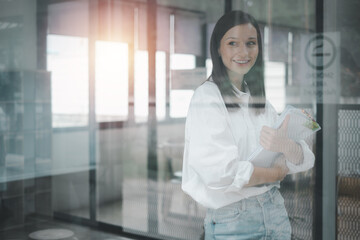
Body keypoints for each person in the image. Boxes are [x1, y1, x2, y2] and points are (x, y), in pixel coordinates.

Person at [181, 10, 315, 239]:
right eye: (233, 43)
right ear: (218, 49)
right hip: (233, 220)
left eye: (251, 43)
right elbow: (220, 173)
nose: (243, 52)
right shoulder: (207, 97)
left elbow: (305, 159)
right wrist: (274, 172)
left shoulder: (259, 100)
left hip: (275, 212)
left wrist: (287, 145)